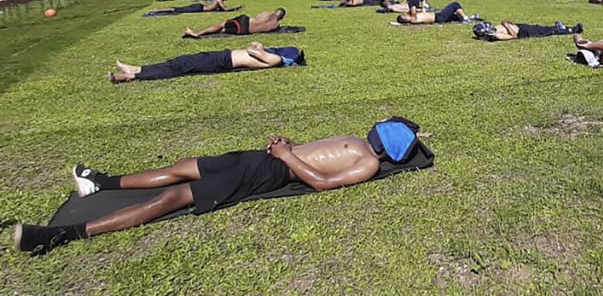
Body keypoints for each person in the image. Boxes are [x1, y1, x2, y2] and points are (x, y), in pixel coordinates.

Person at [13, 118, 420, 255]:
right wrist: (289, 145)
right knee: (181, 169)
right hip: (264, 158)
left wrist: (285, 158)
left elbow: (323, 182)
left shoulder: (366, 164)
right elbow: (317, 152)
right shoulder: (361, 142)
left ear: (387, 148)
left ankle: (61, 235)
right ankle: (101, 182)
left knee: (174, 197)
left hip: (269, 173)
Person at [108, 42, 304, 82]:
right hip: (222, 57)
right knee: (179, 62)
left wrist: (259, 47)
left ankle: (131, 76)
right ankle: (137, 69)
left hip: (223, 61)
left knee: (179, 68)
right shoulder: (277, 57)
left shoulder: (277, 59)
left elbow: (255, 52)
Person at [183, 8, 286, 38]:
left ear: (275, 11)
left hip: (244, 22)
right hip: (244, 31)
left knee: (222, 24)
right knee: (223, 30)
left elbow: (256, 18)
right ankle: (198, 33)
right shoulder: (276, 26)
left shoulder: (266, 13)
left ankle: (197, 33)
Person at [474, 19, 583, 41]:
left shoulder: (495, 29)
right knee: (548, 31)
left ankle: (563, 28)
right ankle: (573, 29)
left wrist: (507, 23)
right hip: (524, 32)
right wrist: (506, 25)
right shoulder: (497, 35)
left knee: (543, 28)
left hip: (522, 27)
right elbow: (514, 36)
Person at [149, 0, 242, 15]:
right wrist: (235, 7)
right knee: (178, 9)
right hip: (199, 8)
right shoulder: (219, 0)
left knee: (179, 8)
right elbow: (225, 9)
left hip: (199, 6)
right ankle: (157, 10)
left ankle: (158, 9)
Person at [396, 1, 473, 25]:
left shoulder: (413, 18)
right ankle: (465, 19)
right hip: (439, 17)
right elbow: (413, 7)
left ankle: (467, 17)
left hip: (438, 16)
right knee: (455, 5)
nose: (406, 15)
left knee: (454, 16)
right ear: (405, 19)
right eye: (405, 16)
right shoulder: (412, 19)